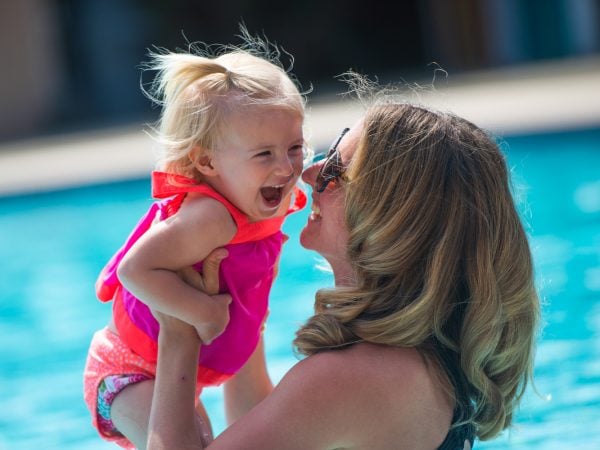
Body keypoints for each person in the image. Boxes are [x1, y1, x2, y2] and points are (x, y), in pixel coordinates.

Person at [146, 97, 541, 449]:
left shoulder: (350, 378)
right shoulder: (421, 361)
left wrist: (178, 331)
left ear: (387, 218)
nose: (309, 175)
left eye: (335, 165)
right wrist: (243, 298)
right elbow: (269, 427)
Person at [82, 37, 308, 449]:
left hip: (199, 363)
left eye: (295, 147)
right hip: (126, 370)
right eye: (264, 154)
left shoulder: (266, 202)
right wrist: (200, 310)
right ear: (207, 163)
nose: (286, 167)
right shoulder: (209, 217)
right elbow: (136, 270)